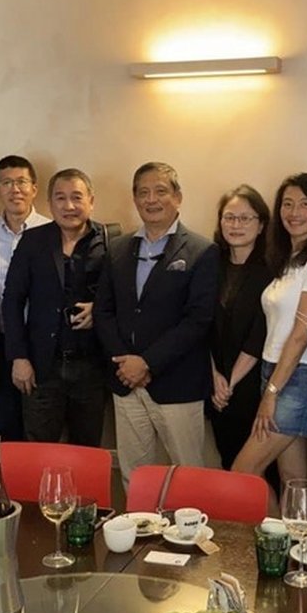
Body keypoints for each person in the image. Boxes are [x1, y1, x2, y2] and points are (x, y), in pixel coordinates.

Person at [95, 162, 218, 488]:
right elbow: (103, 311)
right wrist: (126, 364)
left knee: (189, 475)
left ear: (178, 197)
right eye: (143, 192)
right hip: (126, 382)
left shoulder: (202, 251)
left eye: (160, 191)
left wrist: (147, 363)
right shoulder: (117, 249)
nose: (151, 199)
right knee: (134, 476)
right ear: (135, 198)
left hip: (177, 383)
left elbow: (198, 320)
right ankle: (138, 524)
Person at [231, 173, 307, 483]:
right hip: (275, 369)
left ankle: (277, 523)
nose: (294, 212)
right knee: (292, 477)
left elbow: (302, 334)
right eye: (287, 204)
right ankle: (292, 519)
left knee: (243, 472)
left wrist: (272, 392)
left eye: (305, 204)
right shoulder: (287, 259)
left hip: (297, 376)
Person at [3, 168, 109, 446]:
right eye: (60, 198)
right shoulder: (32, 241)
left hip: (91, 367)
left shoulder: (110, 240)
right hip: (42, 366)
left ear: (91, 201)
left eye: (77, 197)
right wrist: (19, 357)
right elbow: (12, 300)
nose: (69, 206)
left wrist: (97, 310)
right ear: (50, 203)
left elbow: (122, 297)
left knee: (87, 449)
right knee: (38, 449)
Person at [0, 155, 49, 440]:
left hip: (42, 343)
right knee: (2, 425)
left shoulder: (52, 231)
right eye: (6, 183)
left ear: (34, 188)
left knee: (42, 427)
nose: (15, 189)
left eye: (21, 182)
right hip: (0, 343)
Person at [207, 185, 274, 474]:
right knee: (227, 460)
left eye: (245, 218)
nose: (236, 225)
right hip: (214, 382)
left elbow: (261, 333)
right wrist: (214, 377)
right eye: (229, 217)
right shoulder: (210, 264)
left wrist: (230, 383)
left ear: (261, 225)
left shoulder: (271, 269)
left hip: (252, 384)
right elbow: (199, 324)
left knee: (259, 470)